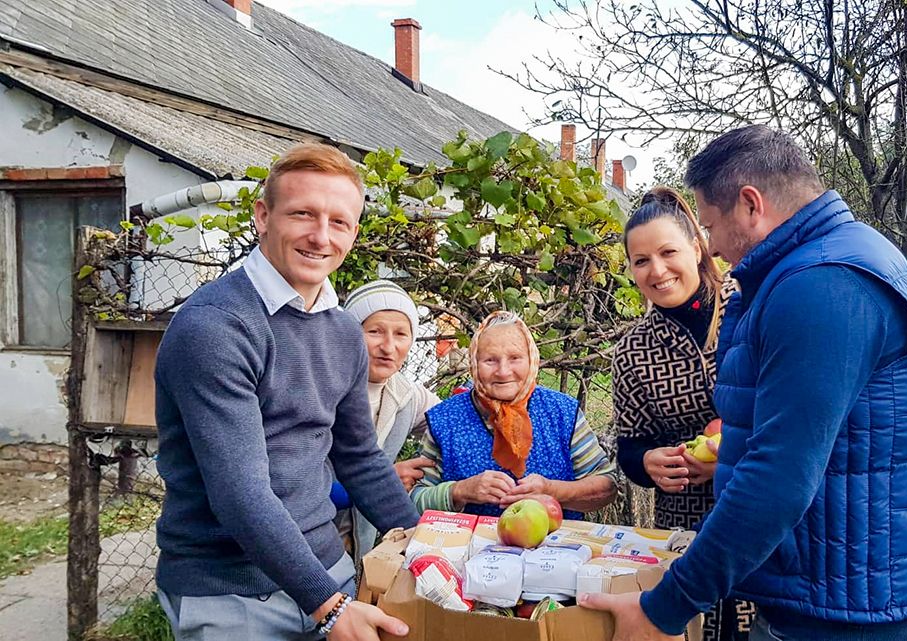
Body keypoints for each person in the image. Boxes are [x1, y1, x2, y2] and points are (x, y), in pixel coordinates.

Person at [580, 124, 907, 641]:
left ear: (751, 204)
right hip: (828, 589)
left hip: (843, 612)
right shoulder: (824, 266)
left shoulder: (822, 285)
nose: (713, 248)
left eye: (710, 227)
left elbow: (778, 476)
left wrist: (661, 611)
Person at [153, 142, 419, 641]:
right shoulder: (215, 328)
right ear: (263, 216)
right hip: (231, 590)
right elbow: (241, 493)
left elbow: (359, 456)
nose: (321, 236)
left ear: (354, 233)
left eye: (339, 222)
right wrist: (331, 608)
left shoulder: (343, 332)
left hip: (327, 571)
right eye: (303, 214)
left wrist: (426, 547)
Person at [612, 186, 752, 641]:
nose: (657, 270)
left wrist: (728, 453)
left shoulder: (749, 308)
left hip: (759, 507)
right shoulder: (633, 350)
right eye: (641, 261)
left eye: (668, 251)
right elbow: (630, 448)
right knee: (693, 631)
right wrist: (648, 463)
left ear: (696, 246)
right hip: (684, 524)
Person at [410, 311, 618, 518]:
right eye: (490, 360)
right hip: (468, 546)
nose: (503, 371)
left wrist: (552, 490)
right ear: (474, 363)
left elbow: (606, 487)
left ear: (531, 360)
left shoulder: (561, 413)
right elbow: (414, 501)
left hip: (555, 547)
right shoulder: (446, 420)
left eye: (515, 358)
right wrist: (459, 491)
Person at [335, 278, 440, 565]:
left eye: (401, 334)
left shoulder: (407, 395)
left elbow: (454, 428)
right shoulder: (323, 388)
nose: (389, 346)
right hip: (315, 548)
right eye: (375, 332)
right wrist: (383, 481)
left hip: (367, 551)